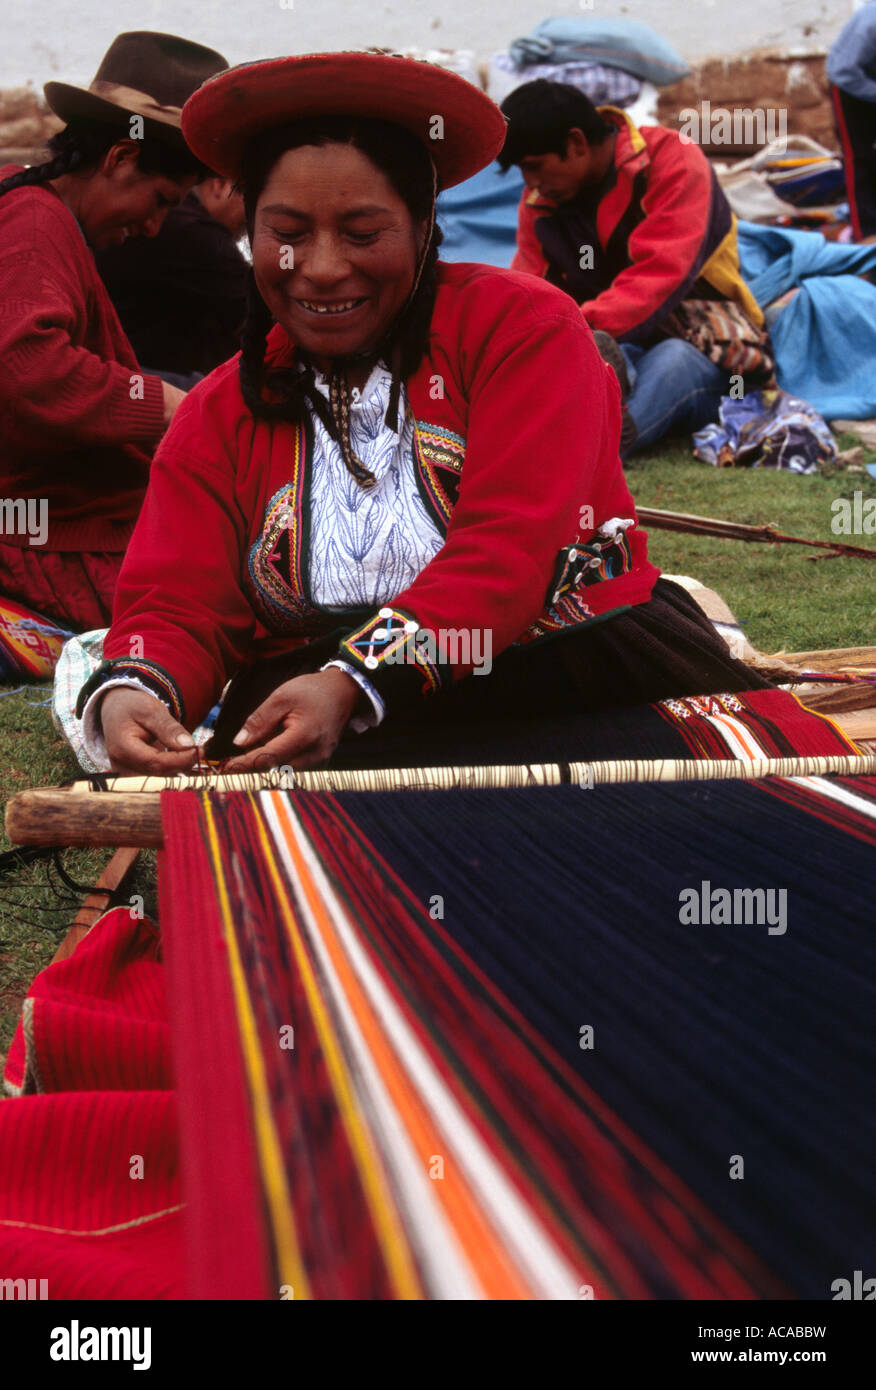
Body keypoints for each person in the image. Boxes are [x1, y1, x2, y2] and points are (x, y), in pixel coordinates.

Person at [67, 52, 769, 777]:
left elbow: (507, 549)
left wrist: (355, 680)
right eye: (288, 232)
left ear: (424, 224)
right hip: (314, 703)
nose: (324, 266)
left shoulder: (522, 330)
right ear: (253, 233)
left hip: (566, 669)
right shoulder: (221, 411)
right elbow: (174, 600)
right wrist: (137, 687)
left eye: (365, 233)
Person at [0, 31, 228, 633]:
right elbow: (27, 366)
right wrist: (168, 406)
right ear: (120, 159)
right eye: (160, 200)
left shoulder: (28, 203)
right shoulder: (34, 221)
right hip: (39, 537)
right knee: (214, 607)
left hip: (43, 519)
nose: (155, 227)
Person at [498, 80, 773, 456]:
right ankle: (597, 406)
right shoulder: (539, 202)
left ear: (576, 143)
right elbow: (529, 291)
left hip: (703, 339)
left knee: (672, 361)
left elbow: (658, 275)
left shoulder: (674, 159)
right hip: (608, 341)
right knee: (592, 360)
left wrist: (571, 333)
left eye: (534, 167)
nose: (531, 184)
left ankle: (604, 441)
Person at [96, 175, 248, 384]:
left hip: (121, 364)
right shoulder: (197, 232)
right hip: (146, 377)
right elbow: (262, 313)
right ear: (219, 184)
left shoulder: (180, 217)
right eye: (251, 199)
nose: (252, 217)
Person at [827, 1, 876, 243]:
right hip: (848, 85)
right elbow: (842, 72)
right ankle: (865, 232)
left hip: (871, 79)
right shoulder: (869, 23)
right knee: (859, 158)